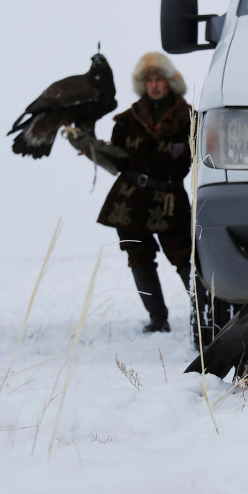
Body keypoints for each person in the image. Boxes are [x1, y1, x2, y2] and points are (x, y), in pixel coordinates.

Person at [71, 52, 197, 333]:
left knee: (185, 256)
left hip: (169, 199)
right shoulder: (127, 120)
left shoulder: (190, 118)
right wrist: (87, 145)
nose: (154, 85)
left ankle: (204, 315)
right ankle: (157, 319)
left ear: (170, 82)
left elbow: (202, 156)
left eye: (159, 79)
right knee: (139, 258)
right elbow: (119, 161)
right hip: (130, 200)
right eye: (148, 79)